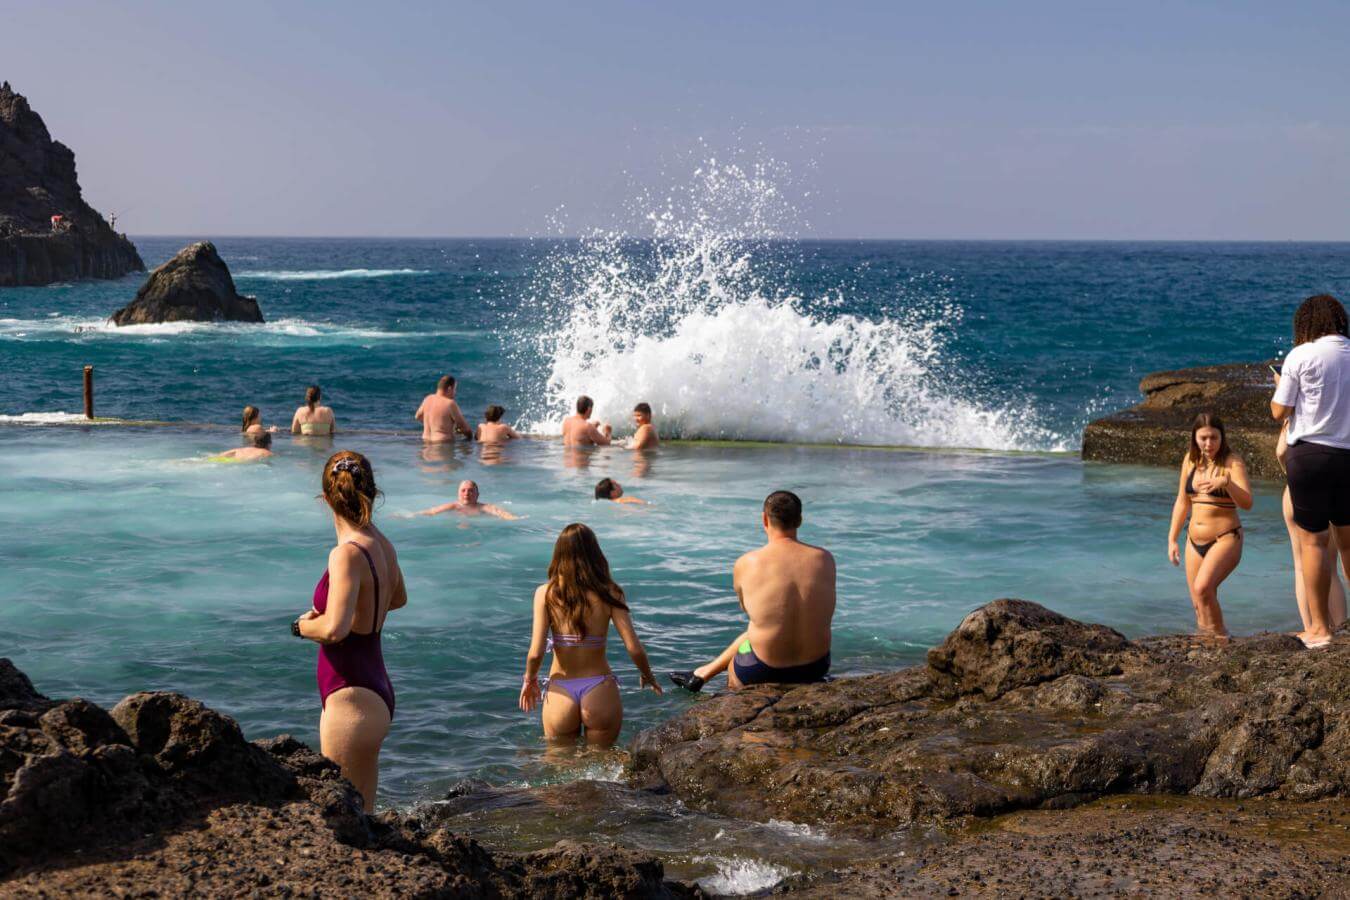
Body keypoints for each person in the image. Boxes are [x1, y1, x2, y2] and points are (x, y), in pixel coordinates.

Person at [292, 451, 407, 812]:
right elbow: (398, 598)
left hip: (348, 696)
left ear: (325, 498)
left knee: (342, 819)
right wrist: (360, 610)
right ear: (372, 492)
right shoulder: (382, 543)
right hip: (375, 687)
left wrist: (302, 626)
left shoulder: (345, 554)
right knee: (365, 817)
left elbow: (335, 630)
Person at [670, 491, 835, 692]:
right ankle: (701, 673)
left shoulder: (747, 563)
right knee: (765, 627)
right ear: (799, 520)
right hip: (815, 668)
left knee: (752, 638)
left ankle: (724, 696)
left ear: (764, 519)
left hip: (761, 669)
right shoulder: (824, 559)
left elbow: (749, 611)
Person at [518, 523, 661, 745]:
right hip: (599, 690)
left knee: (560, 769)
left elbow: (535, 654)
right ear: (595, 553)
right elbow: (633, 647)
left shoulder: (545, 594)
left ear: (558, 553)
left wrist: (529, 680)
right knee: (602, 767)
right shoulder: (610, 592)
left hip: (560, 693)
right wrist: (648, 675)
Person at [1272, 293, 1350, 648]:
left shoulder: (1300, 355)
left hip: (1310, 457)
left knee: (1313, 544)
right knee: (1348, 545)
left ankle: (1320, 629)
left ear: (1306, 324)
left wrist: (1281, 390)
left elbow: (1279, 411)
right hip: (1348, 456)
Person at [1165, 414, 1252, 639]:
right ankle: (1206, 644)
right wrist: (1172, 538)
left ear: (1222, 437)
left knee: (1203, 588)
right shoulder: (1190, 461)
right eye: (1203, 438)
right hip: (1193, 541)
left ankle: (1221, 641)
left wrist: (1227, 483)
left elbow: (1247, 503)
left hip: (1226, 537)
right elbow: (1182, 501)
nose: (1208, 443)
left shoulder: (1233, 463)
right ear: (1194, 438)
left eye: (1214, 437)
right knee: (1198, 601)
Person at [1277, 424, 1349, 636]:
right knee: (1331, 565)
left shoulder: (1297, 420)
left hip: (1296, 489)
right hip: (1333, 483)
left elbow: (1281, 451)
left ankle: (1312, 628)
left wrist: (1290, 468)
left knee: (1301, 566)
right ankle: (1340, 627)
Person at [416, 479, 520, 520]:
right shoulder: (453, 506)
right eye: (463, 490)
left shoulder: (483, 507)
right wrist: (412, 515)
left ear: (477, 494)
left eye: (470, 491)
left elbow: (500, 513)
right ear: (458, 494)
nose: (466, 494)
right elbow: (432, 511)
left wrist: (513, 518)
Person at [415, 375, 473, 443]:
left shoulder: (428, 399)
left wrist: (435, 424)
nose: (455, 393)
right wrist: (470, 439)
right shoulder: (450, 403)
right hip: (442, 445)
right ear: (449, 388)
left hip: (425, 442)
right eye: (455, 389)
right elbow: (464, 427)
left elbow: (417, 416)